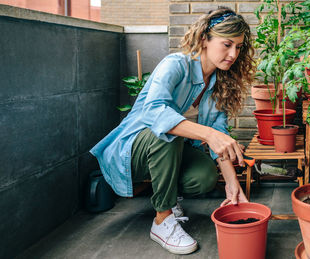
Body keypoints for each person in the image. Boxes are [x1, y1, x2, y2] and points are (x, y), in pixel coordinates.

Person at [90, 6, 255, 255]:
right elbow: (155, 113)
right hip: (132, 152)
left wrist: (233, 186)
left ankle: (167, 196)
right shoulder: (176, 65)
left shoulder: (219, 84)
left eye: (239, 47)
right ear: (204, 39)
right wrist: (209, 134)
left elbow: (219, 137)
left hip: (170, 153)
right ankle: (162, 220)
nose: (233, 54)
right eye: (227, 44)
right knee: (169, 132)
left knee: (204, 176)